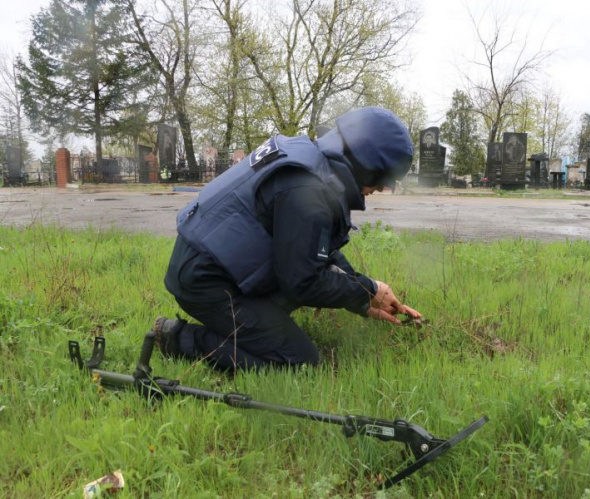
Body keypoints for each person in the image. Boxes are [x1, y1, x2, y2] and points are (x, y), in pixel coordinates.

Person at [153, 107, 422, 371]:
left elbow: (315, 249)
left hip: (205, 264)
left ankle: (253, 324)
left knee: (282, 322)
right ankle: (178, 338)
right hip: (205, 281)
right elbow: (303, 282)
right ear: (365, 165)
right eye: (383, 178)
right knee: (298, 358)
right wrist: (368, 289)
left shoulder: (309, 161)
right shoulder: (308, 190)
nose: (383, 188)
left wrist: (366, 297)